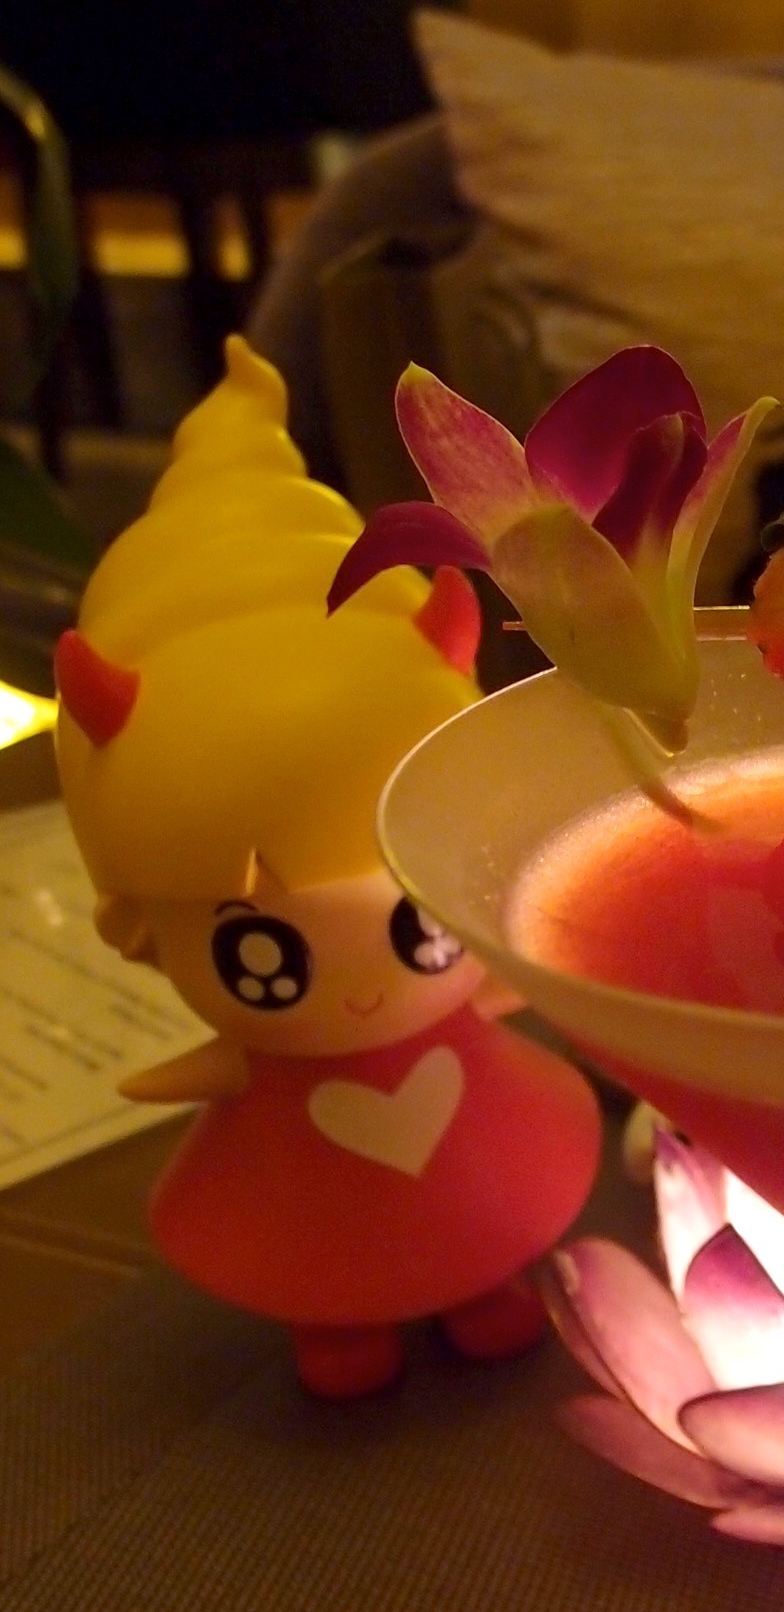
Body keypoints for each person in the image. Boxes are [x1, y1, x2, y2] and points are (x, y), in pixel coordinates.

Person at [54, 337, 602, 1398]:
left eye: (417, 920)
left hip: (476, 1121)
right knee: (311, 1242)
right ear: (142, 923)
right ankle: (339, 1314)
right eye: (261, 956)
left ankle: (480, 1280)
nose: (359, 991)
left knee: (489, 1198)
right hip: (289, 1167)